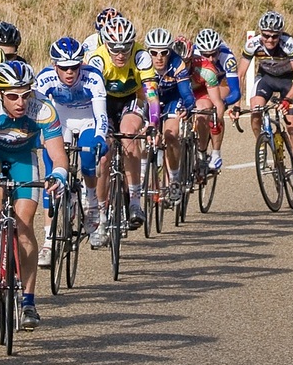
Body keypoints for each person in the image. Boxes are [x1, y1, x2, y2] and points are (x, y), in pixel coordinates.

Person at [0, 61, 69, 330]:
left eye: (25, 95)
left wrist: (58, 176)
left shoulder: (42, 108)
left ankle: (29, 301)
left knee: (24, 225)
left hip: (23, 157)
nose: (20, 102)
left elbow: (58, 156)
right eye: (12, 96)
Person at [34, 36, 110, 248]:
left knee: (88, 156)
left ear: (81, 64)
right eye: (64, 68)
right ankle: (48, 241)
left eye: (74, 67)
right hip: (61, 121)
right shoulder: (45, 78)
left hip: (88, 119)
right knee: (51, 169)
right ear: (54, 65)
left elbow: (101, 115)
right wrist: (37, 137)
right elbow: (36, 112)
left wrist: (100, 137)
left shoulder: (92, 76)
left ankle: (92, 202)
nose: (70, 72)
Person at [85, 15, 159, 231]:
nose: (120, 54)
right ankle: (99, 212)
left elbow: (151, 94)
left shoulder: (141, 56)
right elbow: (92, 98)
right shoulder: (97, 59)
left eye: (126, 48)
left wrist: (153, 122)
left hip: (131, 99)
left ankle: (135, 201)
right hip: (104, 102)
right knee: (104, 155)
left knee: (129, 135)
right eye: (115, 48)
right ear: (105, 44)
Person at [236, 11, 293, 192]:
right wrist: (236, 104)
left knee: (292, 126)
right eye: (266, 35)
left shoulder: (288, 43)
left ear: (280, 34)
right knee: (256, 111)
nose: (270, 40)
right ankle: (261, 144)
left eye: (275, 36)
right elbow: (240, 74)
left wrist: (288, 99)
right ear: (261, 32)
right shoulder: (253, 44)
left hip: (288, 81)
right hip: (266, 79)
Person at [147, 27, 198, 204]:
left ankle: (174, 178)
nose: (159, 57)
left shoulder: (177, 63)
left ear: (170, 51)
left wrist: (189, 106)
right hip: (149, 100)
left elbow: (186, 94)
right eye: (154, 53)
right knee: (141, 134)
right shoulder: (143, 63)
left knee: (171, 134)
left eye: (164, 52)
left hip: (173, 99)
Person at [193, 28, 240, 171]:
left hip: (221, 82)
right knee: (201, 110)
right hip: (202, 82)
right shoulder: (193, 54)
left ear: (219, 50)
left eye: (214, 54)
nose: (210, 59)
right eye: (206, 55)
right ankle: (200, 151)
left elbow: (236, 92)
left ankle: (216, 153)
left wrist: (223, 104)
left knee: (215, 106)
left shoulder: (227, 58)